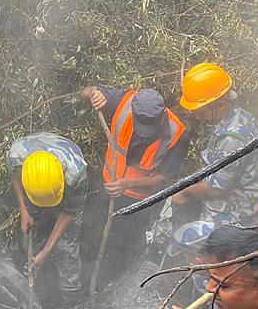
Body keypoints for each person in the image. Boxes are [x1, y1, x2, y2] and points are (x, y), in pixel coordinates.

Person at [80, 84, 189, 276]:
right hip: (107, 186)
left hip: (139, 202)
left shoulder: (177, 134)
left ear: (162, 115)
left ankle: (117, 280)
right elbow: (86, 91)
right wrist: (93, 94)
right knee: (95, 232)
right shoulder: (122, 101)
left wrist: (128, 184)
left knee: (125, 245)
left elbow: (164, 178)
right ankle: (90, 274)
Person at [174, 63, 258, 225]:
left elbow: (217, 189)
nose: (198, 118)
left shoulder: (231, 138)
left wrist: (184, 192)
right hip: (241, 203)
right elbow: (215, 164)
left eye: (200, 112)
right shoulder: (238, 117)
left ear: (220, 105)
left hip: (234, 216)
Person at [7, 133, 88, 304]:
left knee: (67, 249)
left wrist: (46, 252)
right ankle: (33, 288)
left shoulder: (76, 173)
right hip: (35, 193)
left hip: (65, 196)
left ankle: (71, 303)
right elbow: (14, 177)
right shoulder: (16, 156)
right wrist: (24, 211)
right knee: (31, 240)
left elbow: (69, 213)